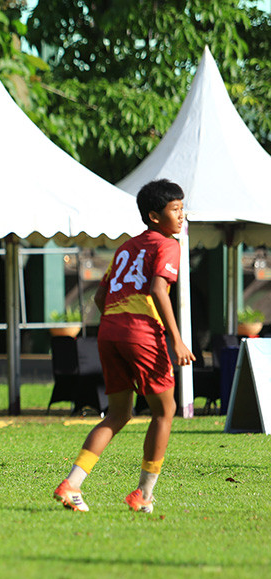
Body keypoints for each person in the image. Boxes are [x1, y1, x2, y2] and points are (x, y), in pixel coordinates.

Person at [53, 179, 195, 514]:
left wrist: (118, 326)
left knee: (118, 414)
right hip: (141, 333)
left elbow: (100, 297)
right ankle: (143, 494)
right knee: (165, 411)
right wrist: (176, 339)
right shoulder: (168, 244)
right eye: (174, 209)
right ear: (154, 216)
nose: (181, 215)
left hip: (109, 331)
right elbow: (160, 290)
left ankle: (72, 484)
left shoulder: (127, 247)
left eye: (181, 207)